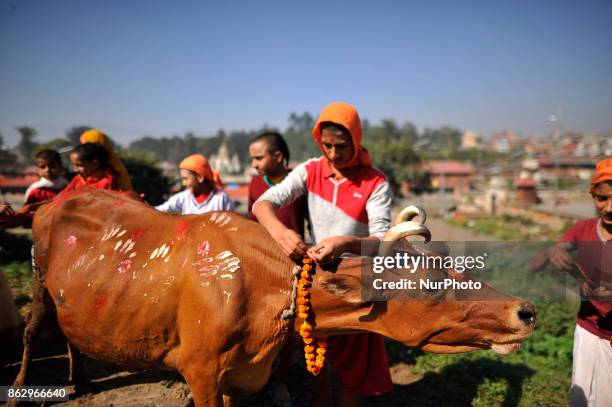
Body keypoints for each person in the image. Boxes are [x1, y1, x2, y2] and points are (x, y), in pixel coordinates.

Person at [253, 102, 393, 406]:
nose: (333, 154)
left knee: (353, 367)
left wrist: (346, 243)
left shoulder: (375, 181)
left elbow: (383, 240)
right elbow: (263, 203)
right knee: (319, 356)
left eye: (341, 146)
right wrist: (280, 233)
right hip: (319, 278)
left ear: (356, 140)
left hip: (358, 281)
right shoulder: (311, 170)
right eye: (326, 145)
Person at [248, 132, 308, 407]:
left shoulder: (301, 183)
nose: (254, 164)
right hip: (262, 263)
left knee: (293, 325)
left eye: (258, 157)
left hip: (294, 263)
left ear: (279, 157)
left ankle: (281, 379)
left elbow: (309, 221)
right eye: (252, 159)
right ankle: (258, 375)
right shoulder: (253, 185)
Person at [548, 158, 611, 407]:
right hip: (589, 330)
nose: (608, 208)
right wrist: (557, 253)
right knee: (581, 396)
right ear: (593, 196)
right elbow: (561, 246)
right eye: (602, 198)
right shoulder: (583, 229)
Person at [155, 154, 233, 214]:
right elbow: (159, 211)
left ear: (200, 177)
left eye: (186, 179)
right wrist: (143, 207)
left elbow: (231, 223)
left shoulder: (221, 198)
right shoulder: (183, 198)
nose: (184, 183)